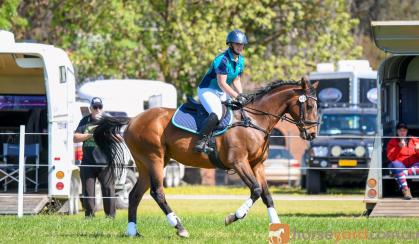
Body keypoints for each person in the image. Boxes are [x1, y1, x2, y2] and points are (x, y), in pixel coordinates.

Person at [194, 29, 249, 152]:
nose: (240, 47)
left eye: (242, 44)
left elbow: (236, 80)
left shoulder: (241, 60)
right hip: (208, 90)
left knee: (235, 111)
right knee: (217, 113)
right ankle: (201, 141)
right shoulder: (222, 60)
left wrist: (241, 95)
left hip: (222, 91)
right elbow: (222, 83)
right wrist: (236, 95)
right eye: (237, 44)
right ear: (230, 44)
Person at [74, 97, 116, 217]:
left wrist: (105, 135)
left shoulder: (107, 121)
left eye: (100, 107)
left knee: (108, 190)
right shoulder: (85, 121)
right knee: (88, 192)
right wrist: (90, 135)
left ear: (102, 108)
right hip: (88, 163)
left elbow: (116, 137)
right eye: (95, 107)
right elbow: (75, 137)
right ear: (90, 108)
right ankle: (89, 217)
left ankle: (110, 217)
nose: (97, 109)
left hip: (105, 163)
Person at [386, 121, 419, 200]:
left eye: (404, 130)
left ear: (407, 131)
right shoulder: (392, 141)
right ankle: (406, 190)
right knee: (394, 164)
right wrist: (398, 147)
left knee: (399, 172)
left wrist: (418, 150)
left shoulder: (415, 140)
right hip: (399, 164)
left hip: (413, 164)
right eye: (400, 130)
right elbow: (391, 158)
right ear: (397, 131)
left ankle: (400, 174)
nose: (402, 132)